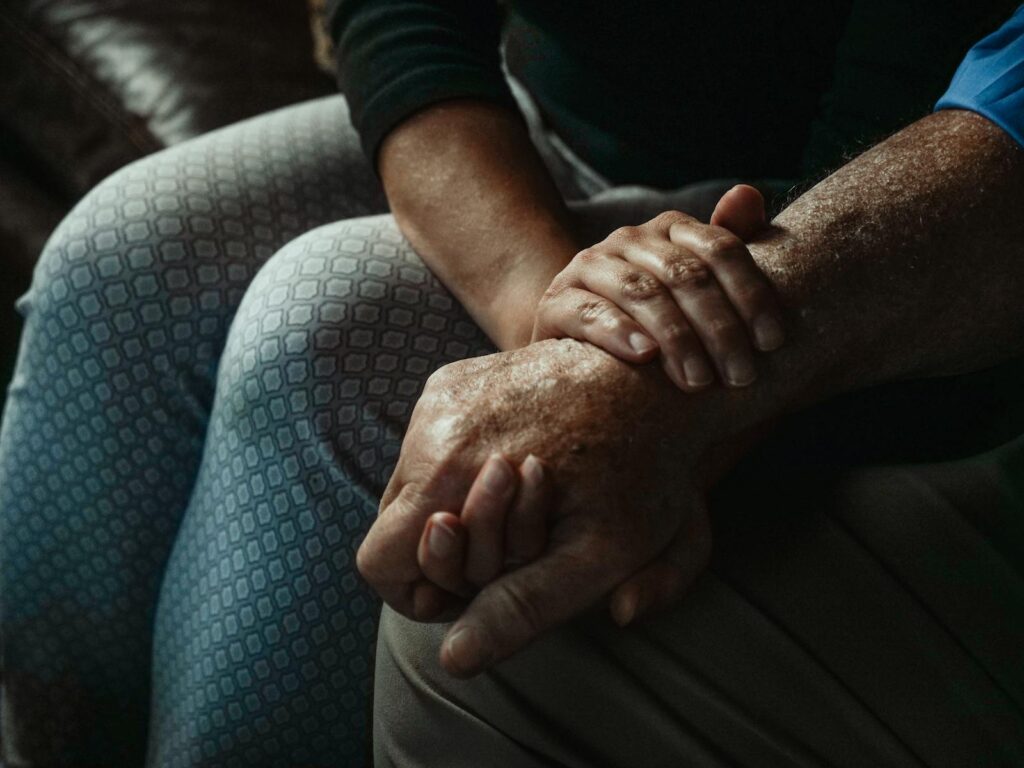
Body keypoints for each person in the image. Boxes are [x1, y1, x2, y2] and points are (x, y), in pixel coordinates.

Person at [0, 1, 1022, 766]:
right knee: (121, 254)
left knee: (319, 331)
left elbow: (909, 141)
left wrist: (654, 385)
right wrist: (553, 322)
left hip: (807, 215)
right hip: (533, 132)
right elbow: (401, 13)